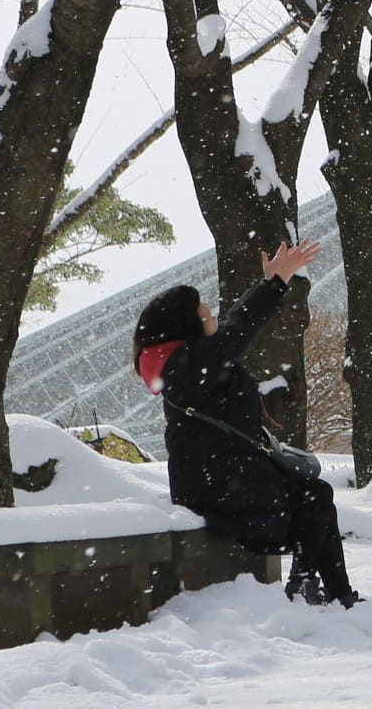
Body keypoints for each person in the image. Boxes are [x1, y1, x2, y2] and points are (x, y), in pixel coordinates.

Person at [131, 239, 359, 607]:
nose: (209, 309)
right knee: (311, 501)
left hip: (231, 487)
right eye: (200, 305)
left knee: (315, 496)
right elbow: (238, 328)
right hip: (227, 497)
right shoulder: (188, 364)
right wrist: (276, 283)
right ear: (185, 321)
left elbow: (228, 336)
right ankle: (316, 589)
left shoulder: (184, 364)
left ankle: (329, 591)